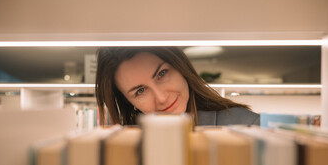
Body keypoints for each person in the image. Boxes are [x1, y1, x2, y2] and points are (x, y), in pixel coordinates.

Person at [95, 46, 260, 126]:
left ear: (181, 67)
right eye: (140, 91)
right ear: (127, 102)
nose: (161, 98)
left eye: (162, 73)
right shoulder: (128, 146)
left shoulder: (248, 125)